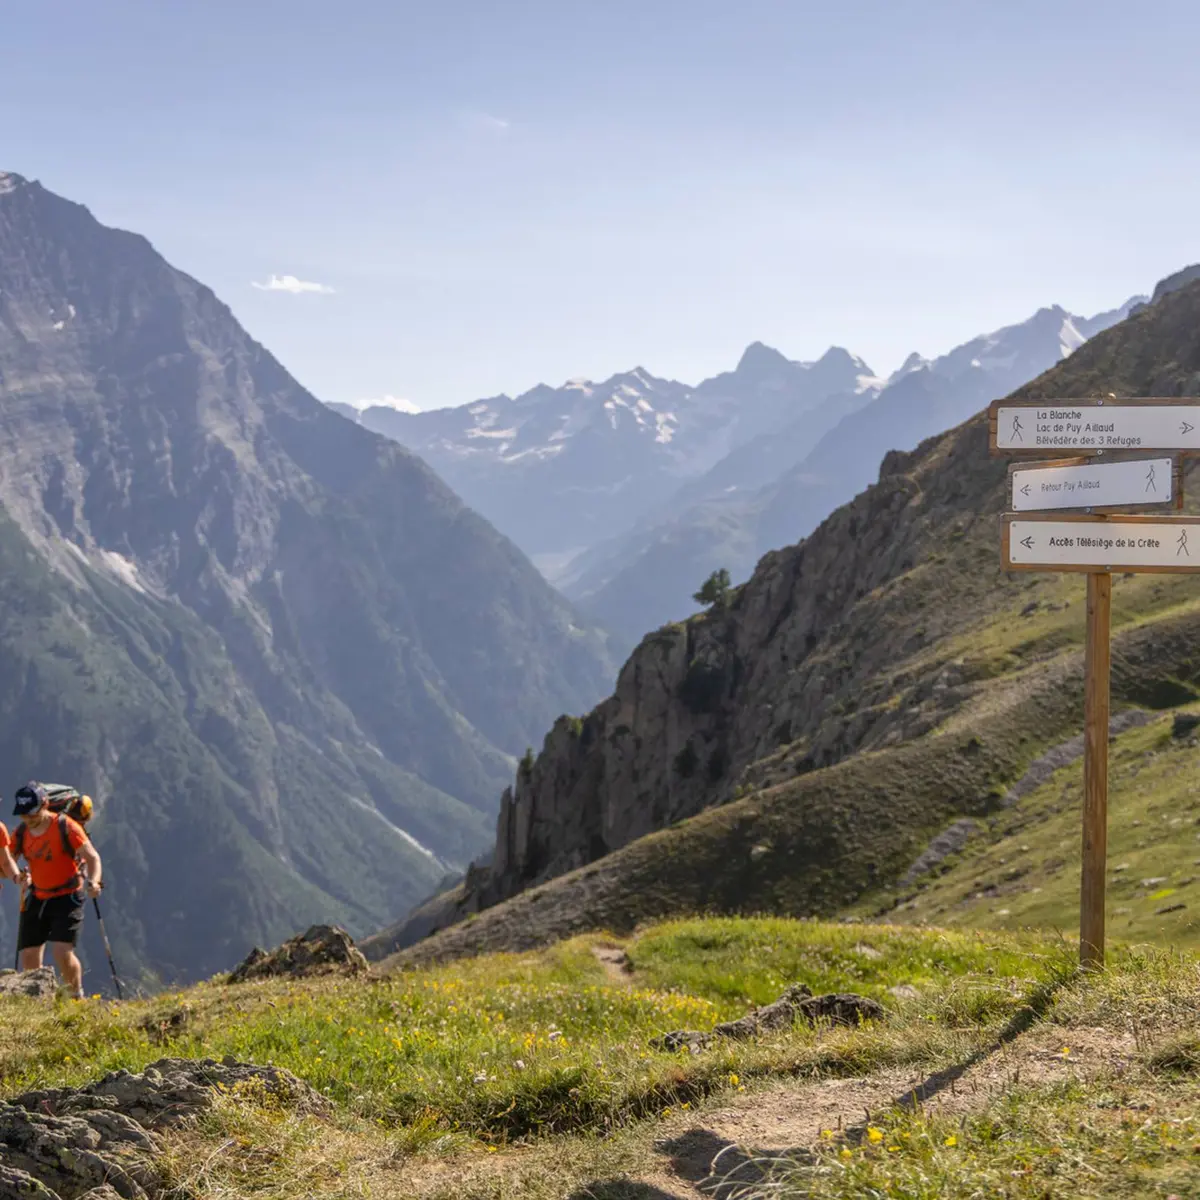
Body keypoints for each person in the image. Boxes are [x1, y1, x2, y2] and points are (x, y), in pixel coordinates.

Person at [10, 784, 103, 999]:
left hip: (67, 895)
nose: (28, 819)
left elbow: (92, 857)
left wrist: (94, 881)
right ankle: (37, 1003)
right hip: (37, 894)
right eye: (23, 815)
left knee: (62, 952)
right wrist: (18, 875)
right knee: (29, 956)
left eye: (32, 813)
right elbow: (7, 864)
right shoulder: (22, 832)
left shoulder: (66, 827)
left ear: (44, 805)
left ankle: (75, 998)